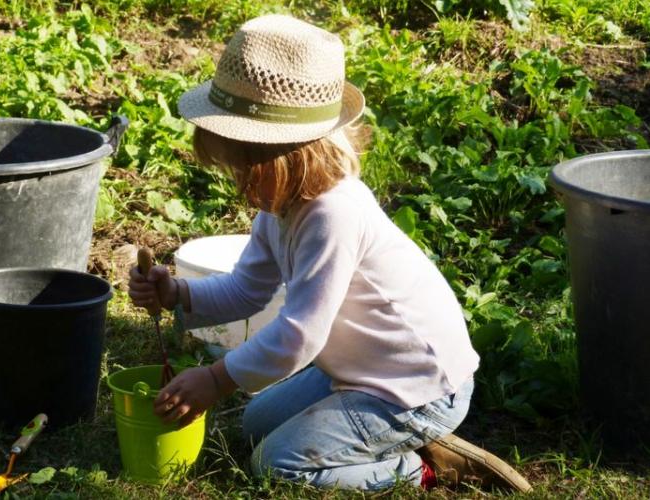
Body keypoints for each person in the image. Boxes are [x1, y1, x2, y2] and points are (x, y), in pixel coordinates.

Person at [128, 14, 532, 493]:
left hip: (417, 388)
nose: (239, 186)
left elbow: (299, 336)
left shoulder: (331, 215)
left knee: (278, 464)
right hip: (361, 371)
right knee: (255, 423)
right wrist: (177, 293)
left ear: (279, 158)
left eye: (242, 169)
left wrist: (217, 378)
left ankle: (423, 466)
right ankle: (388, 441)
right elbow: (245, 289)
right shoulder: (278, 206)